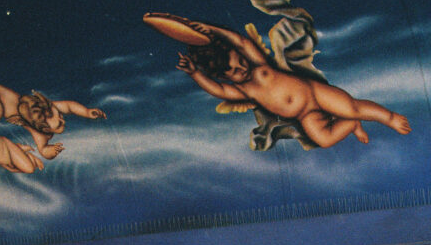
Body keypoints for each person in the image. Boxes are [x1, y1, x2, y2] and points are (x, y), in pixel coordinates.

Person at [144, 12, 411, 148]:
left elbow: (240, 41)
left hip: (315, 94)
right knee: (325, 139)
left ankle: (387, 117)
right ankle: (351, 124)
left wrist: (212, 30)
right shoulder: (245, 90)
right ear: (225, 76)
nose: (242, 69)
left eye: (241, 62)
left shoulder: (259, 67)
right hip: (306, 115)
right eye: (235, 72)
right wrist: (194, 73)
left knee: (352, 106)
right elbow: (216, 90)